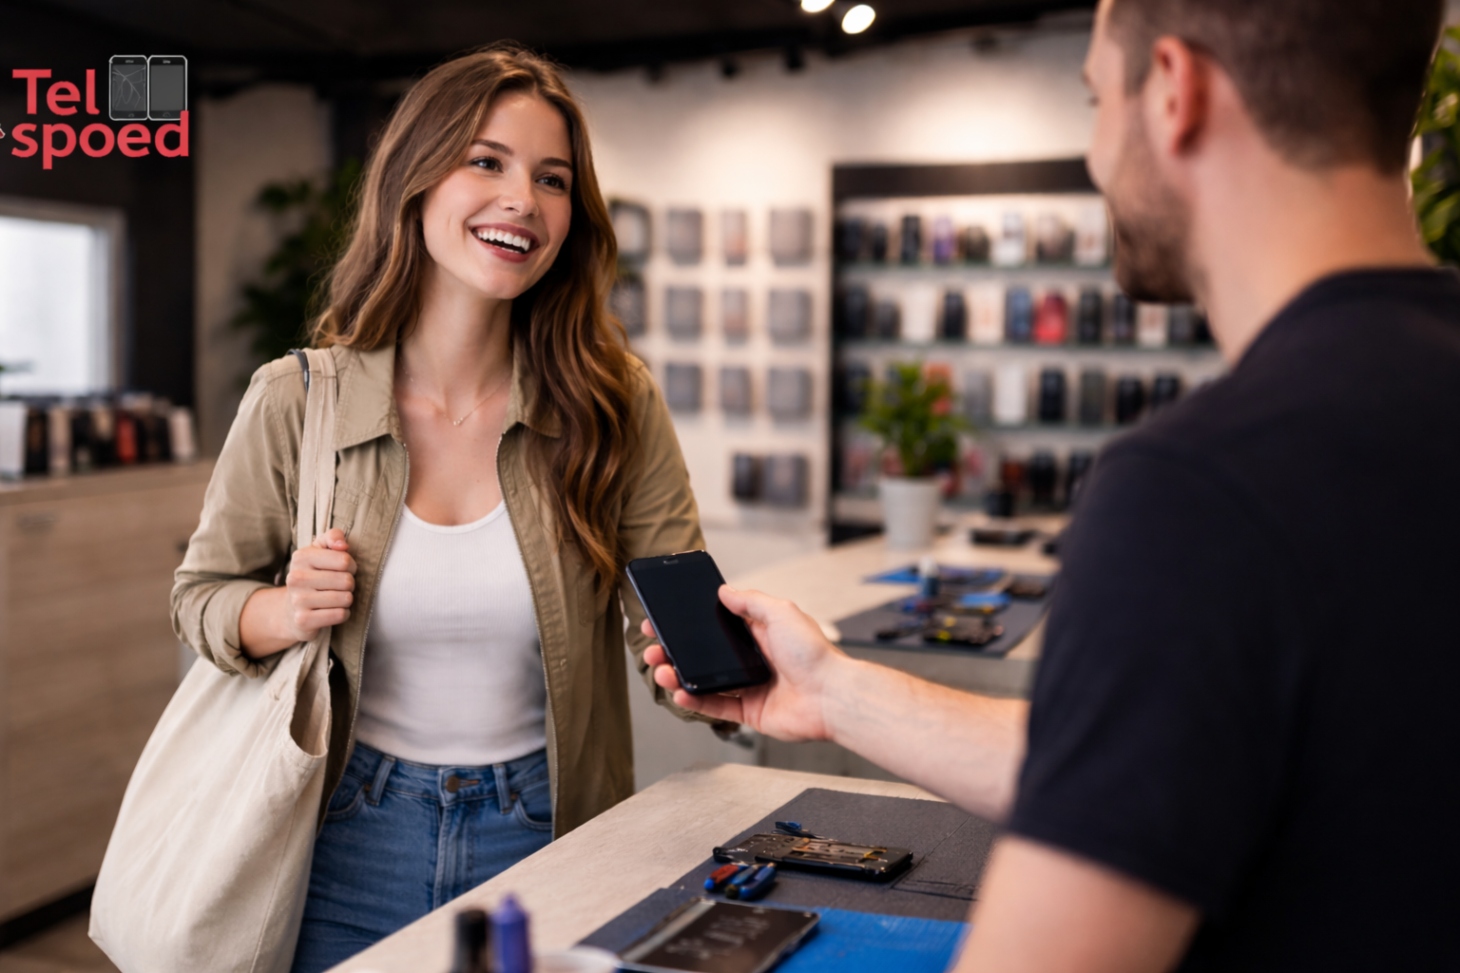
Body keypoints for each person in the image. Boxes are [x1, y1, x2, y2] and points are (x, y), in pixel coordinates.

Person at [647, 0, 1460, 969]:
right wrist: (836, 692)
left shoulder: (1197, 491)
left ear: (1172, 90)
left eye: (1091, 99)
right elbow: (1144, 761)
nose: (1093, 154)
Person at [173, 45, 710, 973]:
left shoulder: (613, 400)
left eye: (553, 179)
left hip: (547, 830)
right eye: (486, 161)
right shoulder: (298, 397)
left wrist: (715, 671)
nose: (523, 201)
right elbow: (199, 596)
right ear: (415, 181)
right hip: (346, 832)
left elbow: (678, 610)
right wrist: (280, 609)